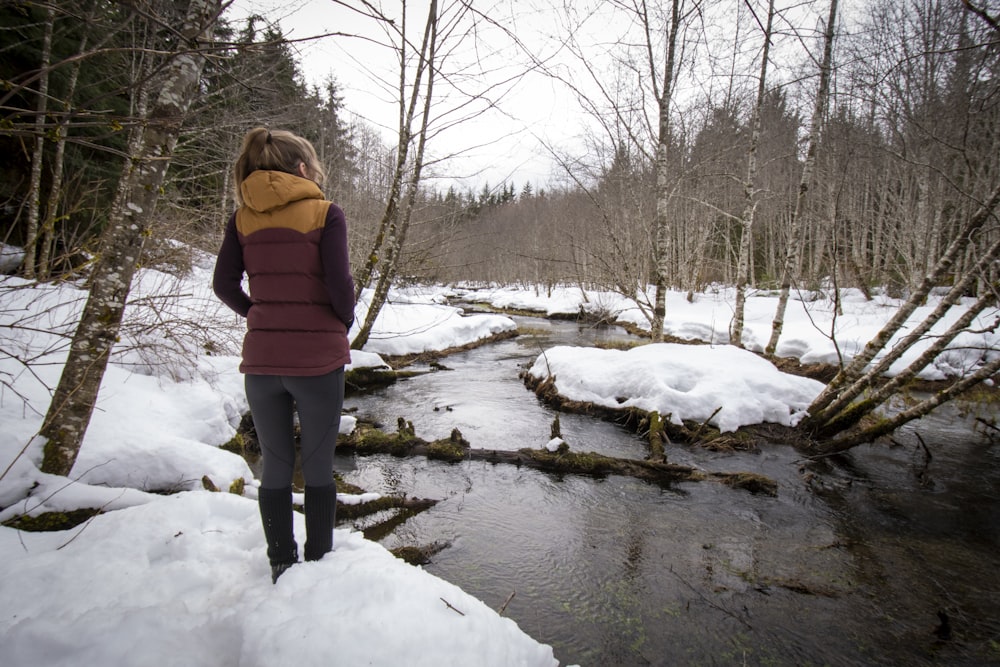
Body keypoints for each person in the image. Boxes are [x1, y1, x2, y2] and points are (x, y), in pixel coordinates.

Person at [213, 127, 355, 584]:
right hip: (317, 361)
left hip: (261, 362)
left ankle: (280, 563)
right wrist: (341, 321)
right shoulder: (325, 213)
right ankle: (317, 566)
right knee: (316, 465)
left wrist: (257, 313)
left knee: (274, 463)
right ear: (301, 168)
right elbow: (340, 288)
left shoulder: (242, 218)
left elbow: (223, 285)